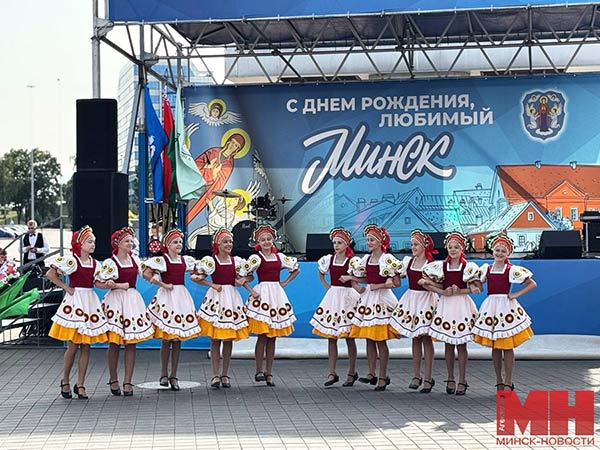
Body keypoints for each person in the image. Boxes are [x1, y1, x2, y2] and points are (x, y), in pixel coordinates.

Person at [46, 226, 109, 400]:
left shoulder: (95, 263)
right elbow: (50, 274)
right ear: (79, 244)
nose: (93, 244)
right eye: (89, 242)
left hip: (89, 301)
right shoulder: (72, 260)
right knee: (73, 345)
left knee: (86, 345)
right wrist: (66, 287)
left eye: (94, 242)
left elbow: (97, 282)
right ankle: (65, 380)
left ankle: (80, 383)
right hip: (76, 302)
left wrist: (110, 284)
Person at [472, 231, 536, 391]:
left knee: (507, 346)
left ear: (508, 253)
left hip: (506, 307)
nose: (499, 253)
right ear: (492, 251)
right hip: (491, 307)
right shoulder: (486, 269)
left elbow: (532, 283)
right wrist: (474, 284)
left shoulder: (511, 269)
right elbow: (479, 285)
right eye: (497, 250)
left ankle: (508, 380)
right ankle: (499, 379)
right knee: (496, 346)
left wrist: (516, 294)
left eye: (503, 251)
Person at [419, 231, 480, 396]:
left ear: (462, 249)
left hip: (461, 306)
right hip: (446, 305)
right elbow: (438, 285)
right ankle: (450, 378)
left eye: (456, 247)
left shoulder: (467, 267)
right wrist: (437, 287)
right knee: (448, 343)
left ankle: (462, 379)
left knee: (461, 344)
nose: (453, 250)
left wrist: (461, 290)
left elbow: (476, 288)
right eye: (450, 247)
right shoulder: (442, 267)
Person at [95, 227, 154, 396]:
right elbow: (98, 282)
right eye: (127, 241)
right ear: (118, 243)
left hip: (131, 301)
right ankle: (113, 379)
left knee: (131, 342)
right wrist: (110, 284)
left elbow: (146, 274)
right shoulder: (110, 263)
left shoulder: (135, 260)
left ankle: (128, 381)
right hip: (115, 302)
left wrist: (157, 272)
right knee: (114, 342)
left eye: (131, 240)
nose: (130, 243)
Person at [142, 228, 202, 391]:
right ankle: (163, 373)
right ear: (167, 245)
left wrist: (199, 275)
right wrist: (161, 283)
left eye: (180, 242)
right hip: (167, 298)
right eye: (175, 242)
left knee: (177, 339)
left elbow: (198, 270)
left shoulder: (185, 260)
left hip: (181, 298)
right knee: (166, 338)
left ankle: (174, 375)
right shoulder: (162, 261)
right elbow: (146, 273)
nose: (178, 245)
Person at [344, 225, 401, 392]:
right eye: (367, 239)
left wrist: (381, 285)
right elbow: (367, 279)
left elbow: (396, 282)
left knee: (380, 339)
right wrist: (352, 279)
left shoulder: (387, 259)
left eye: (372, 240)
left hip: (382, 300)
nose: (369, 242)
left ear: (381, 241)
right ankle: (371, 373)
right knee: (369, 337)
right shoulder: (366, 259)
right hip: (369, 299)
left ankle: (383, 375)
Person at [241, 225, 299, 387]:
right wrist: (251, 291)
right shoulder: (256, 258)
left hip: (276, 295)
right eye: (263, 240)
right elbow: (242, 276)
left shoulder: (279, 257)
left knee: (272, 337)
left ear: (273, 240)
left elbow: (296, 269)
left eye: (268, 239)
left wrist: (284, 282)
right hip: (262, 295)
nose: (266, 242)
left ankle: (269, 372)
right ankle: (259, 370)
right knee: (262, 335)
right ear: (258, 242)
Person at [192, 228, 250, 388]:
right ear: (217, 244)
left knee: (228, 338)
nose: (229, 244)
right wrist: (211, 284)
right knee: (215, 338)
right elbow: (196, 277)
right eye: (225, 242)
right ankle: (215, 375)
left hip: (231, 299)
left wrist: (243, 280)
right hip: (216, 299)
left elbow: (248, 276)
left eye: (230, 242)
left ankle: (225, 374)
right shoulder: (211, 261)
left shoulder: (236, 261)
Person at [309, 228, 361, 387]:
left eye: (340, 243)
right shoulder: (329, 259)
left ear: (347, 245)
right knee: (331, 337)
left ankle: (352, 372)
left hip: (347, 298)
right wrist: (326, 285)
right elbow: (321, 271)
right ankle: (332, 372)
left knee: (349, 336)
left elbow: (358, 277)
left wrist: (351, 280)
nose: (336, 246)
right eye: (335, 243)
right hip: (333, 297)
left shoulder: (352, 261)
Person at [389, 230, 439, 393]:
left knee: (426, 339)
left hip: (426, 300)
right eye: (412, 245)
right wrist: (392, 274)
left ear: (424, 246)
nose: (413, 247)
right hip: (412, 300)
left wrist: (428, 282)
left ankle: (428, 377)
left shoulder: (431, 265)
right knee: (415, 338)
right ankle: (416, 375)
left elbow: (438, 283)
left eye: (416, 244)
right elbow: (397, 278)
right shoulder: (408, 262)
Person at [187, 132, 247, 222]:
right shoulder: (213, 151)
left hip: (204, 191)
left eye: (236, 145)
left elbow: (219, 184)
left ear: (237, 150)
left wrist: (212, 174)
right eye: (232, 142)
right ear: (228, 142)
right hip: (193, 184)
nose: (232, 146)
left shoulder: (229, 164)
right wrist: (208, 169)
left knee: (190, 210)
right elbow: (195, 166)